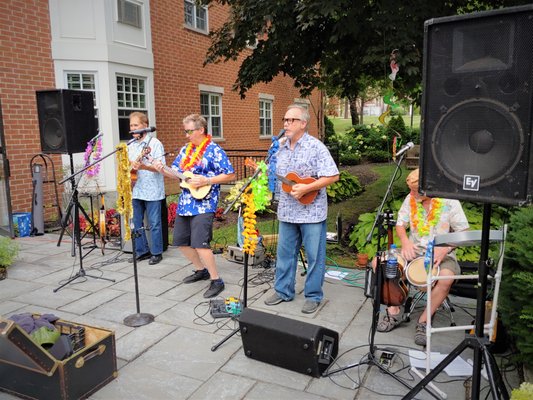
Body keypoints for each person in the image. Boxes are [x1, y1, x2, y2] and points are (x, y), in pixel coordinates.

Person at [376, 168, 469, 346]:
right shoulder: (411, 199)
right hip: (414, 250)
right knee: (380, 262)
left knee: (446, 278)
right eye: (410, 189)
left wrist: (446, 248)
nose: (411, 193)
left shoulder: (450, 201)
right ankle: (394, 311)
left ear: (429, 187)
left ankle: (424, 322)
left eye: (415, 190)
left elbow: (463, 233)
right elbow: (401, 224)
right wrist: (405, 242)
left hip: (441, 253)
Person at [264, 104, 339, 314]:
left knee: (315, 256)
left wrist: (307, 187)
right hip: (287, 210)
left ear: (303, 124)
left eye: (291, 120)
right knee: (285, 253)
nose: (286, 124)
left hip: (311, 212)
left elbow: (333, 175)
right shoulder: (278, 147)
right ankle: (283, 291)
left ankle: (313, 295)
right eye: (285, 120)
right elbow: (275, 176)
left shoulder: (316, 147)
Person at [154, 114, 235, 298]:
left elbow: (230, 175)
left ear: (201, 130)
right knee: (181, 242)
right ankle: (201, 270)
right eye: (185, 131)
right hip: (185, 203)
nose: (187, 135)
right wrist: (162, 169)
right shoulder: (185, 150)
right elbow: (177, 174)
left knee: (200, 244)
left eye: (189, 131)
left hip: (204, 204)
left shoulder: (214, 150)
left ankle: (216, 280)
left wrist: (207, 179)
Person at [128, 112, 165, 265]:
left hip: (152, 190)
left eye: (136, 125)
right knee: (136, 222)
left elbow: (161, 168)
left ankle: (156, 252)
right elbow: (126, 165)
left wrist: (144, 166)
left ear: (145, 125)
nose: (133, 128)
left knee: (154, 222)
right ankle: (141, 251)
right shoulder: (130, 144)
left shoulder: (154, 143)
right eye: (131, 125)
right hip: (135, 188)